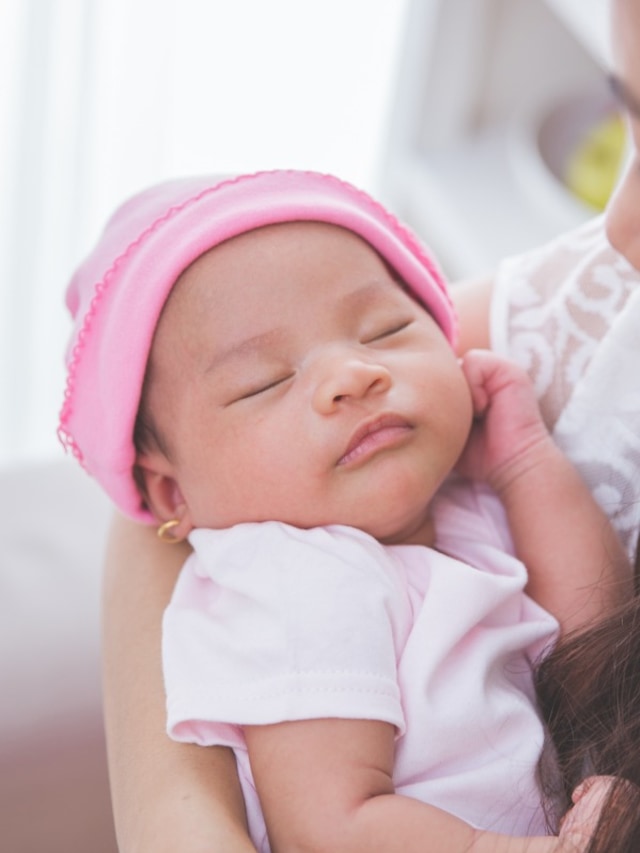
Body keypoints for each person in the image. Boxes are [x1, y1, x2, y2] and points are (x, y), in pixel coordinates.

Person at [92, 0, 640, 849]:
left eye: (386, 329)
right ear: (175, 493)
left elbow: (593, 635)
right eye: (265, 382)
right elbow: (333, 821)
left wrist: (526, 460)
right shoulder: (293, 580)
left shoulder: (448, 499)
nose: (354, 375)